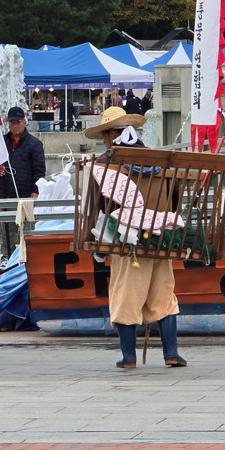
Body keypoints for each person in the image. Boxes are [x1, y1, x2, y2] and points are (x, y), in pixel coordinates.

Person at [84, 106, 187, 370]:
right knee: (163, 295)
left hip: (126, 239)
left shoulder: (106, 163)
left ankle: (129, 357)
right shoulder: (158, 158)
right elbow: (176, 194)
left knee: (126, 296)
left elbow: (96, 205)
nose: (105, 141)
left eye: (104, 136)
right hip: (160, 238)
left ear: (110, 134)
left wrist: (93, 240)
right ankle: (171, 353)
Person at [0, 107, 46, 265]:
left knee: (29, 228)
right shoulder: (2, 142)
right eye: (12, 122)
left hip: (27, 194)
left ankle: (30, 257)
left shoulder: (34, 144)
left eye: (18, 122)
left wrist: (35, 191)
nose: (15, 125)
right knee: (6, 228)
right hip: (6, 192)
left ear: (24, 122)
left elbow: (39, 170)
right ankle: (7, 257)